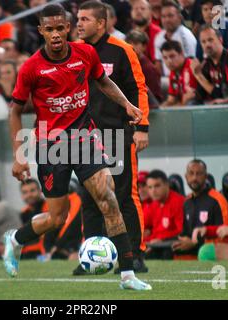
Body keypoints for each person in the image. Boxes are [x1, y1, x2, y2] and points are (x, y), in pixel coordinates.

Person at [5, 3, 151, 291]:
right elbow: (14, 111)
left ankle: (128, 275)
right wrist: (18, 156)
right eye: (50, 29)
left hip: (84, 139)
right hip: (50, 147)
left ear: (68, 28)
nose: (56, 34)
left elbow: (104, 81)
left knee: (108, 200)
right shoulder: (31, 68)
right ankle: (15, 240)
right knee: (56, 217)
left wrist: (128, 105)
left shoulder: (85, 53)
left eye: (61, 28)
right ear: (41, 31)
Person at [73, 0, 150, 276]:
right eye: (78, 18)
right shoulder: (74, 52)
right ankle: (91, 256)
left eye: (84, 19)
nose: (78, 23)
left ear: (101, 23)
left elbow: (138, 89)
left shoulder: (122, 50)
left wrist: (142, 127)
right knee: (89, 197)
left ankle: (136, 255)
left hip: (117, 133)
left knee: (124, 195)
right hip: (85, 138)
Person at [172, 159, 228, 258]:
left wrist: (194, 243)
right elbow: (184, 233)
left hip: (211, 254)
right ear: (186, 177)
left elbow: (225, 235)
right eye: (191, 173)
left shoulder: (218, 200)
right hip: (189, 253)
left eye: (199, 174)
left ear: (206, 177)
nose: (194, 178)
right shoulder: (187, 202)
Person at [144, 170, 185, 259]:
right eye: (150, 187)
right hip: (155, 245)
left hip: (170, 246)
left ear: (167, 185)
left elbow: (182, 232)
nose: (153, 191)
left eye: (157, 186)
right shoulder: (152, 205)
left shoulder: (179, 202)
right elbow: (142, 226)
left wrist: (161, 241)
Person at [191, 25, 228, 104]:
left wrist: (199, 76)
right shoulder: (206, 63)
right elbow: (200, 94)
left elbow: (223, 95)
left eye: (210, 40)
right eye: (203, 42)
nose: (207, 45)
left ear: (220, 40)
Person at [154, 1, 197, 76]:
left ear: (179, 17)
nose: (167, 20)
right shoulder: (159, 37)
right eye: (163, 16)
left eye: (170, 16)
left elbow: (191, 64)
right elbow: (158, 63)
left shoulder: (186, 36)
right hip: (166, 80)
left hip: (184, 78)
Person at [125, 30, 163, 104]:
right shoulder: (125, 64)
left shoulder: (149, 69)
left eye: (135, 43)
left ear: (144, 47)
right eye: (128, 43)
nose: (131, 46)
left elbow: (154, 99)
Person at [160, 40, 197, 106]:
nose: (169, 61)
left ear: (182, 54)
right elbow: (171, 100)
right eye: (165, 58)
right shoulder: (173, 72)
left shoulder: (191, 67)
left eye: (172, 56)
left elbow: (190, 98)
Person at [19, 178, 48, 259]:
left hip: (43, 252)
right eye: (25, 192)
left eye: (32, 191)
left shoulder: (49, 209)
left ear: (40, 191)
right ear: (22, 195)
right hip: (26, 253)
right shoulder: (23, 213)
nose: (29, 195)